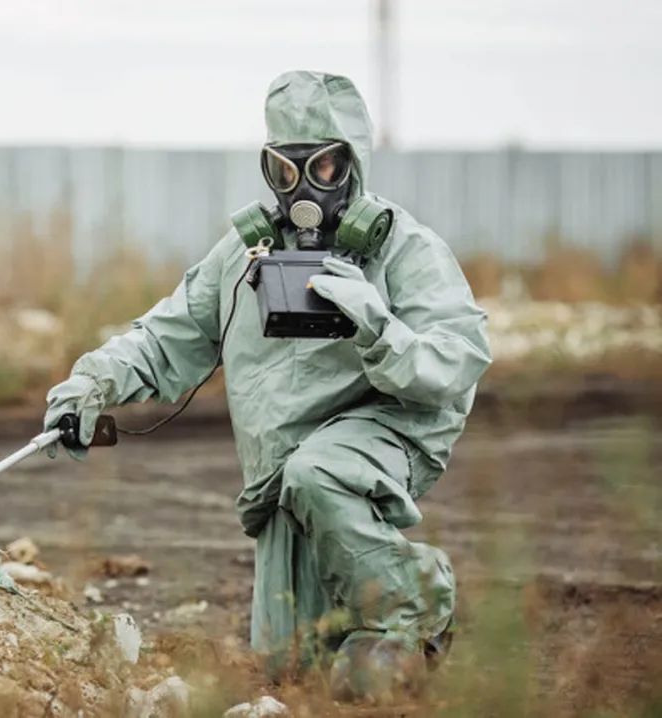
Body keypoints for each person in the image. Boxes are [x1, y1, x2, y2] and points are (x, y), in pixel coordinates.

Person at [43, 70, 491, 702]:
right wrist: (91, 381)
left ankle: (411, 603)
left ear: (353, 164)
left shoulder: (402, 249)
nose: (304, 187)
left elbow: (458, 357)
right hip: (283, 467)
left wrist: (377, 324)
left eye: (325, 167)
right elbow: (167, 335)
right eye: (284, 170)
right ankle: (362, 630)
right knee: (293, 667)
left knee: (319, 473)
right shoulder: (244, 255)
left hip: (389, 430)